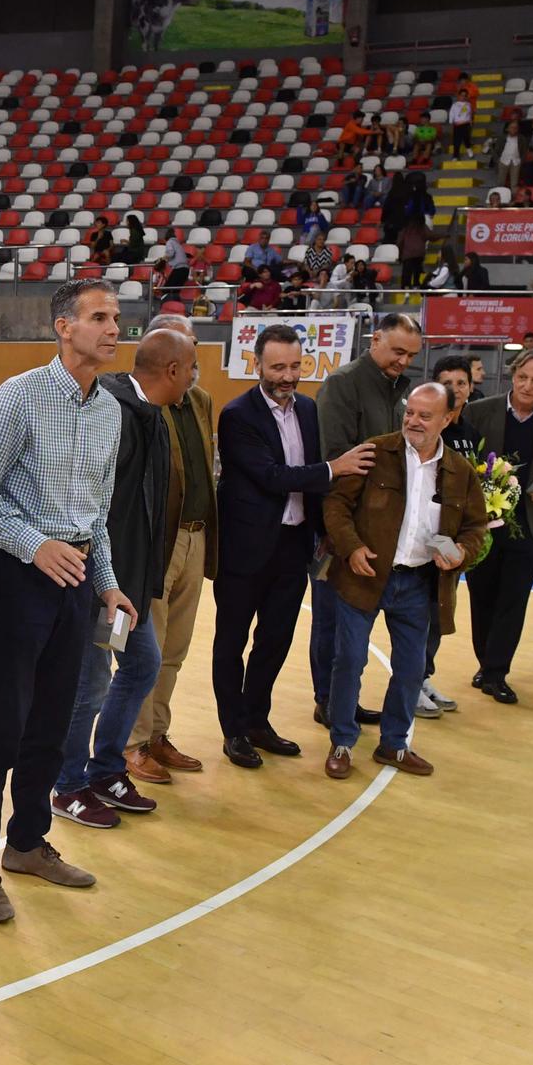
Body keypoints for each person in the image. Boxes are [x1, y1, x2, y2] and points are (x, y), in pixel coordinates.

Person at [0, 279, 136, 923]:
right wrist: (34, 546)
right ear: (64, 327)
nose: (114, 328)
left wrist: (108, 581)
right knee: (2, 723)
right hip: (20, 576)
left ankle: (27, 843)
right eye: (100, 317)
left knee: (53, 725)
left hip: (79, 577)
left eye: (116, 317)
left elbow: (98, 513)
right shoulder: (18, 398)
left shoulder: (111, 410)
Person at [213, 325, 377, 769]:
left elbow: (309, 482)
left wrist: (325, 527)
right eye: (277, 367)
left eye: (294, 366)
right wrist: (334, 468)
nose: (288, 376)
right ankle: (234, 731)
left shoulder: (308, 408)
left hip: (293, 545)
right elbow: (271, 476)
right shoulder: (237, 415)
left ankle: (257, 721)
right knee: (231, 643)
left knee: (275, 641)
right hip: (244, 549)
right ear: (258, 366)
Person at [53, 329, 191, 824]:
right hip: (99, 584)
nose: (194, 379)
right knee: (89, 686)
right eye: (192, 368)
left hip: (127, 584)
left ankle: (105, 768)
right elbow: (96, 512)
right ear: (173, 371)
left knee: (141, 666)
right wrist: (103, 583)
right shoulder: (114, 415)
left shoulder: (151, 415)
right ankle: (67, 784)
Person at [320, 383, 488, 780]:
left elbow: (476, 527)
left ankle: (394, 745)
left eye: (424, 415)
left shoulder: (461, 472)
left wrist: (463, 551)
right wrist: (352, 548)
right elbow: (336, 503)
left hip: (418, 584)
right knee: (349, 661)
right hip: (364, 576)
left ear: (447, 419)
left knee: (412, 668)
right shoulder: (375, 452)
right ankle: (342, 741)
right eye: (409, 412)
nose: (413, 420)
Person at [310, 312, 423, 728]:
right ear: (375, 340)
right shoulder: (343, 384)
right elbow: (336, 457)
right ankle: (328, 700)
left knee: (352, 629)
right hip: (337, 530)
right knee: (330, 623)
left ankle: (343, 700)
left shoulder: (399, 389)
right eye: (397, 351)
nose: (404, 361)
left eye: (411, 355)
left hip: (379, 531)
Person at [126, 314, 219, 786]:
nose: (196, 358)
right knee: (146, 647)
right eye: (188, 349)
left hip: (196, 535)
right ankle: (132, 743)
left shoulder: (200, 400)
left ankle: (158, 733)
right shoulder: (141, 403)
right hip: (158, 543)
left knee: (175, 649)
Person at [461, 351, 533, 703]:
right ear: (513, 375)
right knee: (482, 598)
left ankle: (496, 673)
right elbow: (464, 460)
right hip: (483, 524)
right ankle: (485, 662)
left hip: (529, 526)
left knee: (513, 600)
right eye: (523, 377)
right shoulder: (480, 411)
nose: (528, 385)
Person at [417, 354, 483, 720]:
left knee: (440, 615)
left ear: (470, 388)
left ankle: (424, 677)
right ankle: (410, 683)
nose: (455, 389)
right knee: (420, 616)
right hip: (425, 540)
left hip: (452, 544)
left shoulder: (471, 434)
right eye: (447, 382)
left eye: (461, 382)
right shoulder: (429, 431)